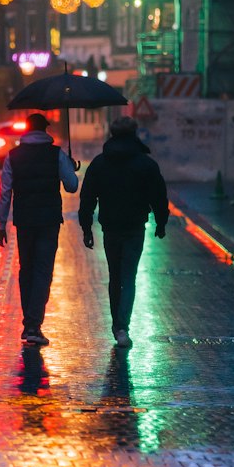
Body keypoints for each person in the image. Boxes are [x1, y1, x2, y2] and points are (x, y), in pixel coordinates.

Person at [78, 115, 169, 348]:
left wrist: (86, 226)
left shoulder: (99, 163)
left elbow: (88, 196)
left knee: (115, 276)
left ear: (111, 134)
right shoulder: (146, 164)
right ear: (134, 134)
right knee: (129, 277)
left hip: (110, 227)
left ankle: (117, 325)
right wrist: (161, 222)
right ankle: (123, 327)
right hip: (134, 227)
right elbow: (158, 195)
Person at [0, 112, 78, 346]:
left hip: (25, 220)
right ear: (45, 131)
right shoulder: (56, 154)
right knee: (43, 271)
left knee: (27, 270)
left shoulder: (13, 156)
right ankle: (33, 325)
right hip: (49, 220)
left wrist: (1, 224)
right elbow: (72, 186)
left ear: (26, 130)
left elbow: (5, 192)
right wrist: (71, 168)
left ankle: (29, 322)